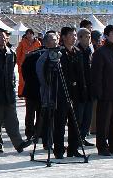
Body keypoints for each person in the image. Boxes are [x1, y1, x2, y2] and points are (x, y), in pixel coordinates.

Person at [37, 29, 86, 159]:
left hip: (75, 91)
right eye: (71, 35)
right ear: (63, 37)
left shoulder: (77, 52)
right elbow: (47, 73)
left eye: (75, 35)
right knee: (60, 122)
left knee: (75, 122)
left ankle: (73, 148)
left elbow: (81, 74)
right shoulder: (58, 53)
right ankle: (58, 150)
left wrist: (83, 91)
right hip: (61, 91)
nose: (74, 38)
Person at [0, 28, 27, 153]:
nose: (3, 38)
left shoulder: (11, 53)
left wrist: (13, 84)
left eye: (4, 36)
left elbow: (12, 72)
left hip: (9, 92)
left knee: (12, 120)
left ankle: (18, 143)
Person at [91, 24, 113, 156]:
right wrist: (99, 93)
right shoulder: (100, 53)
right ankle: (102, 146)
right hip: (106, 93)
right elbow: (96, 75)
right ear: (106, 36)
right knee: (103, 122)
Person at [76, 28, 95, 146]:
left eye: (90, 37)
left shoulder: (89, 51)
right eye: (86, 37)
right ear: (80, 38)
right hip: (79, 89)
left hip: (89, 88)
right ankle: (76, 139)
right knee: (79, 116)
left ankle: (82, 137)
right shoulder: (76, 51)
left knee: (88, 116)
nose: (89, 39)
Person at [15, 29, 41, 97]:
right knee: (22, 80)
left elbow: (40, 53)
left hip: (34, 64)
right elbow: (18, 53)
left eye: (30, 34)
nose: (29, 35)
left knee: (33, 80)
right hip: (23, 64)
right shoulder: (22, 42)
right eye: (27, 34)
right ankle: (21, 94)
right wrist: (19, 62)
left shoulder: (38, 43)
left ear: (33, 34)